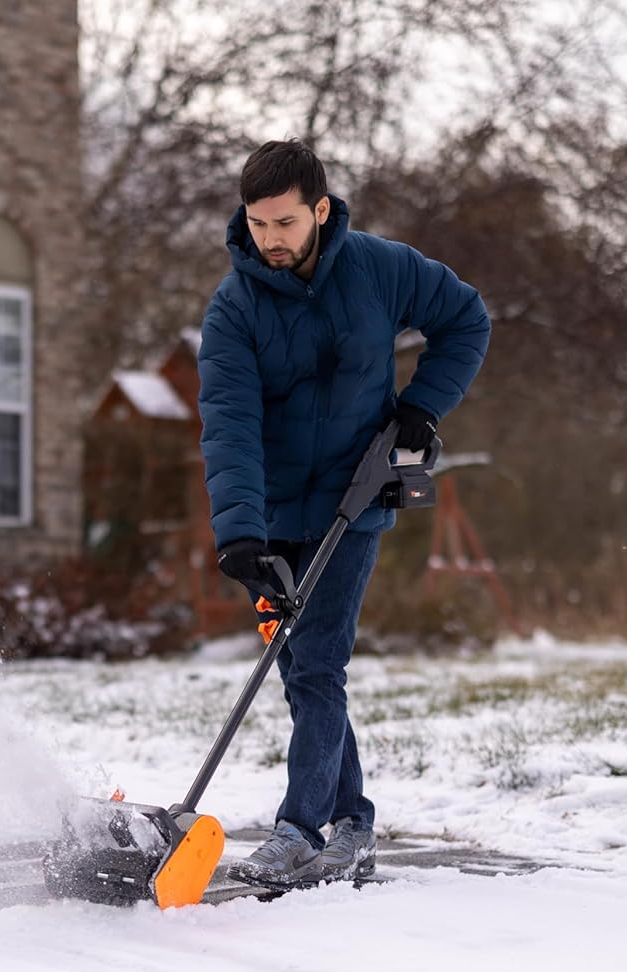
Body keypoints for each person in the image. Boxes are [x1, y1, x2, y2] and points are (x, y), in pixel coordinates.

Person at [197, 139, 490, 886]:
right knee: (298, 671)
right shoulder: (233, 309)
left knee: (319, 662)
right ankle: (353, 823)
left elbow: (466, 320)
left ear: (321, 210)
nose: (271, 240)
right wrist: (240, 537)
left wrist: (422, 409)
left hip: (355, 496)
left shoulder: (381, 269)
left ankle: (297, 828)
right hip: (274, 513)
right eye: (258, 224)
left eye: (287, 222)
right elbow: (229, 423)